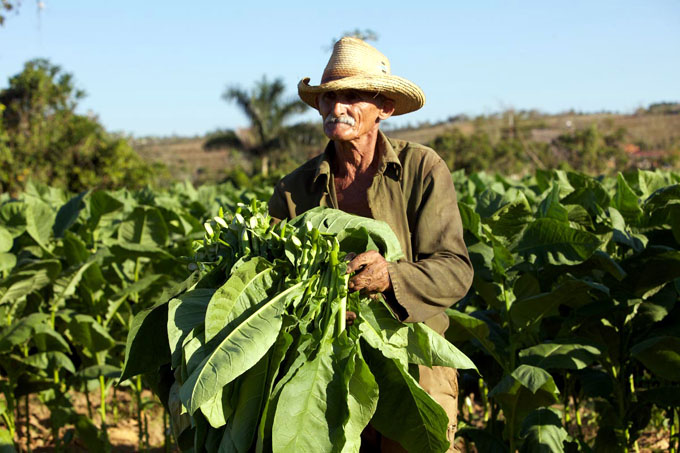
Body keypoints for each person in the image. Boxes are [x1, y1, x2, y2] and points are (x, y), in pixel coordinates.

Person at [268, 37, 473, 453]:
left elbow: (455, 268)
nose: (336, 107)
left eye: (353, 95)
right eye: (328, 97)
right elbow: (271, 275)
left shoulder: (421, 169)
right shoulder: (294, 190)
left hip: (412, 366)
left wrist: (390, 277)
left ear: (385, 108)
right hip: (325, 372)